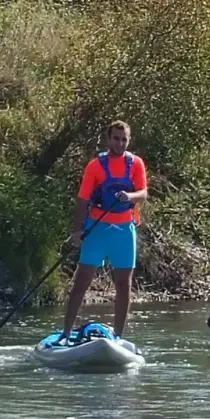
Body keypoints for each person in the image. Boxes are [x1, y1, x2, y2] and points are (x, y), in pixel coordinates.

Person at [61, 120, 148, 339]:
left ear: (128, 141)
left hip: (124, 231)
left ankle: (118, 336)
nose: (120, 143)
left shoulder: (136, 164)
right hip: (97, 229)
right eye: (116, 139)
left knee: (123, 285)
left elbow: (143, 193)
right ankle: (66, 332)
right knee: (82, 281)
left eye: (124, 139)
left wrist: (129, 196)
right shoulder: (95, 166)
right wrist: (77, 231)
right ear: (108, 139)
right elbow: (82, 200)